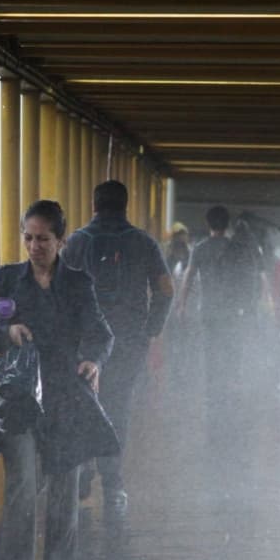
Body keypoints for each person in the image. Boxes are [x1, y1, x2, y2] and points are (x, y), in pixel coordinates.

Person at [0, 199, 114, 560]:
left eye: (44, 239)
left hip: (65, 394)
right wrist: (7, 333)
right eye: (29, 238)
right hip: (20, 398)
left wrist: (93, 360)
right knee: (23, 480)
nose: (35, 246)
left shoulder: (78, 283)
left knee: (65, 484)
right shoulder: (7, 279)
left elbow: (101, 333)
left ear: (61, 241)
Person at [62, 180, 174, 508]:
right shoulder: (144, 243)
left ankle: (82, 474)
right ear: (125, 206)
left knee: (83, 404)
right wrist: (152, 327)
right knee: (118, 406)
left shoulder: (77, 243)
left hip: (85, 342)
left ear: (94, 206)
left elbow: (59, 289)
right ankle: (112, 483)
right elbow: (166, 289)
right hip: (128, 340)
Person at [175, 205, 246, 430]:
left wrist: (182, 305)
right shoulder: (236, 249)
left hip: (207, 310)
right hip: (231, 312)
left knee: (210, 352)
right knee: (230, 352)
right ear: (227, 224)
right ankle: (228, 394)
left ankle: (212, 393)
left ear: (208, 224)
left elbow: (188, 277)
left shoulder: (200, 248)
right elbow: (244, 279)